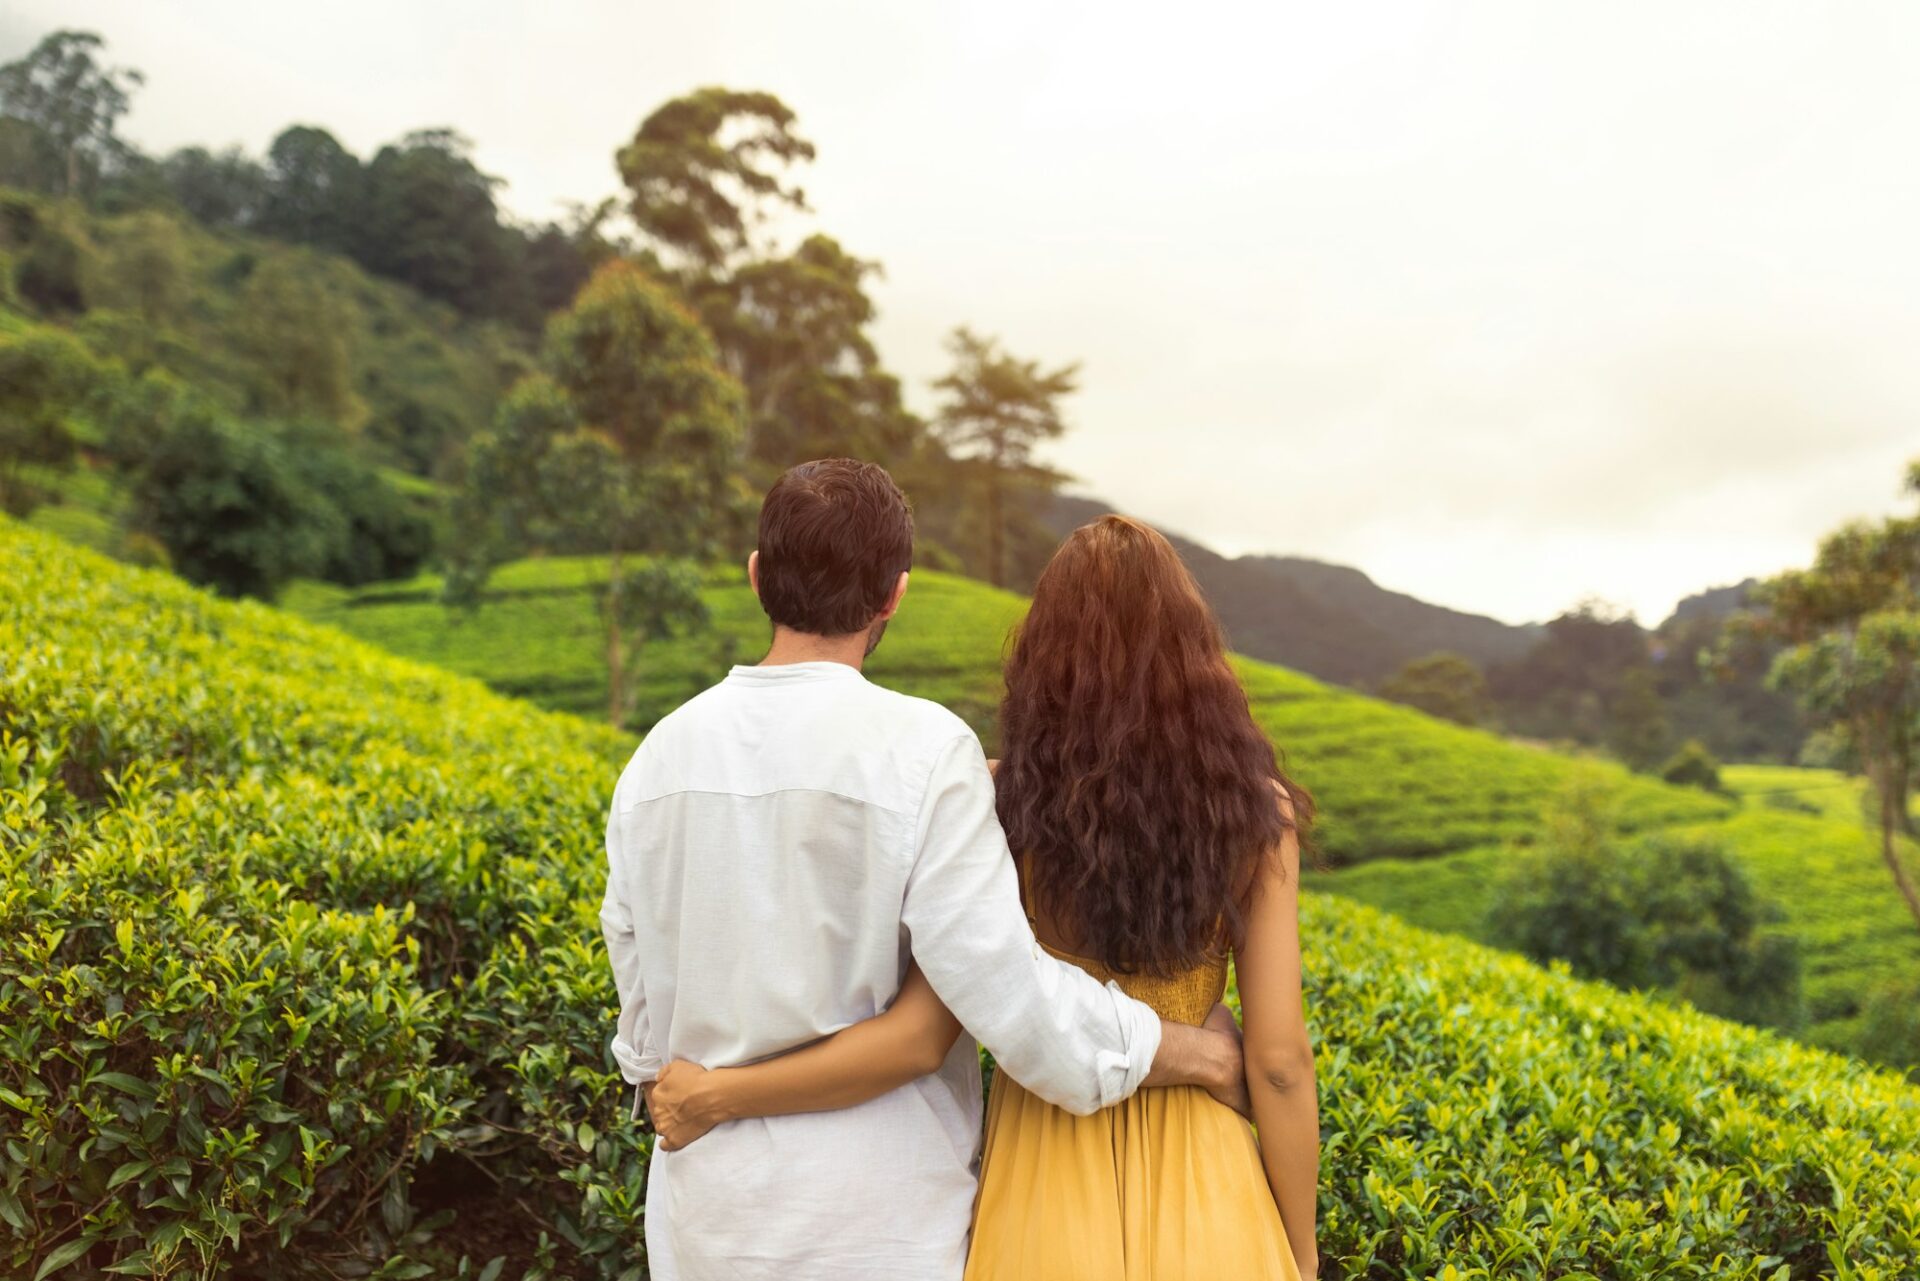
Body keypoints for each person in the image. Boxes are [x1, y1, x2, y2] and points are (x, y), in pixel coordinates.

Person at [600, 463, 1249, 1281]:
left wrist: (705, 1092)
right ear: (894, 595)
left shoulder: (657, 758)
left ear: (759, 574)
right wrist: (1201, 1055)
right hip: (877, 1224)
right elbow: (1010, 997)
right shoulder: (923, 753)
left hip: (705, 1224)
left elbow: (641, 1010)